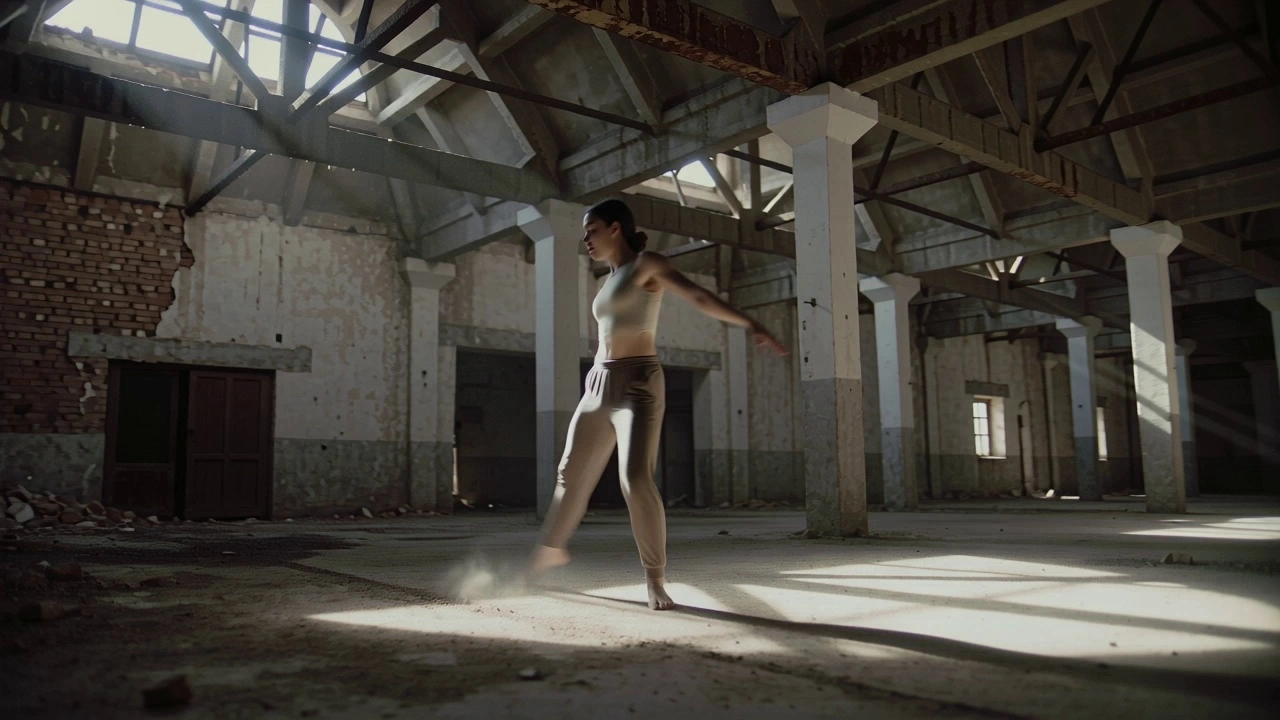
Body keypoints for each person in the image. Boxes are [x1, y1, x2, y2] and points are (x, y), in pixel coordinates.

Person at [526, 197, 787, 610]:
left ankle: (655, 580)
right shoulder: (605, 280)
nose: (586, 240)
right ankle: (552, 549)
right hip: (598, 383)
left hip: (639, 383)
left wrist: (749, 322)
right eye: (584, 234)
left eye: (592, 230)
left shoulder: (647, 264)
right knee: (568, 474)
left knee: (635, 478)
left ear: (616, 228)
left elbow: (698, 297)